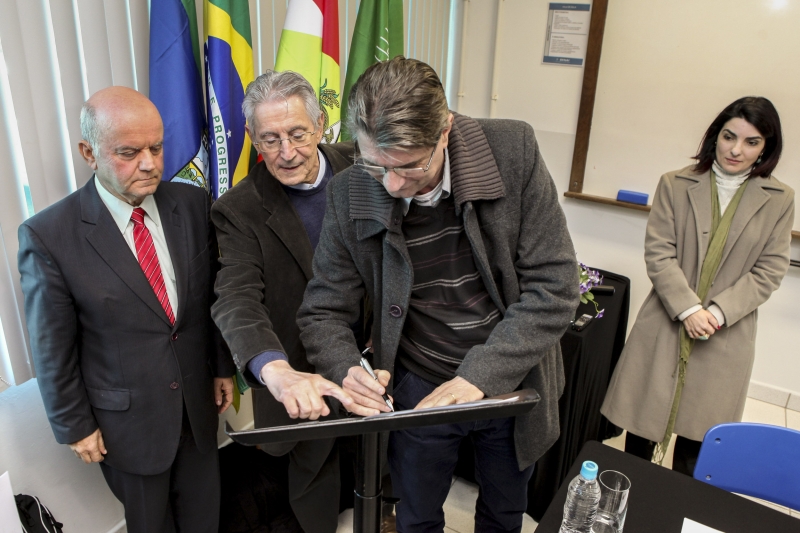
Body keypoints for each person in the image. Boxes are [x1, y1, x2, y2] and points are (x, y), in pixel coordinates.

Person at [297, 57, 579, 533]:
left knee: (505, 513)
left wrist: (480, 375)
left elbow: (555, 287)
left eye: (408, 167)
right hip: (418, 381)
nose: (391, 185)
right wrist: (348, 368)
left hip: (509, 377)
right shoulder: (350, 191)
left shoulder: (512, 151)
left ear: (445, 130)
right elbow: (323, 310)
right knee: (416, 515)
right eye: (374, 164)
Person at [18, 86, 236, 533]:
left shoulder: (192, 205)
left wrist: (222, 367)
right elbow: (51, 348)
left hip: (197, 410)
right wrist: (74, 425)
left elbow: (209, 299)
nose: (150, 163)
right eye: (129, 152)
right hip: (127, 425)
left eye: (156, 147)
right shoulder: (49, 236)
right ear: (89, 152)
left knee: (204, 520)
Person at [601, 96, 795, 476]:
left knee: (698, 449)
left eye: (752, 142)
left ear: (766, 148)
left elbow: (770, 268)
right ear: (715, 136)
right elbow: (659, 253)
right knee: (640, 436)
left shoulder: (780, 199)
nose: (736, 150)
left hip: (726, 335)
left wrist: (717, 313)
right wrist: (689, 309)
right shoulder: (675, 183)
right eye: (729, 136)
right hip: (666, 323)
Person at [211, 70, 357, 533]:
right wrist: (274, 369)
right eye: (270, 139)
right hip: (302, 369)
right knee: (313, 474)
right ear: (253, 138)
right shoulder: (238, 208)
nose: (287, 152)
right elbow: (236, 296)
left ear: (320, 124)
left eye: (297, 134)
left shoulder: (367, 165)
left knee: (387, 459)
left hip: (379, 354)